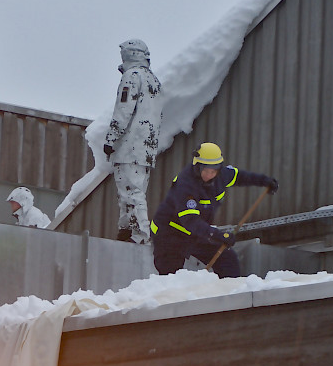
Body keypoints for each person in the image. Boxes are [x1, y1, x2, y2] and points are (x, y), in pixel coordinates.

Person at [150, 142, 278, 278]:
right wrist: (217, 235)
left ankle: (230, 295)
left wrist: (265, 181)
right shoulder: (185, 184)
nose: (209, 175)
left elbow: (241, 177)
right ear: (197, 166)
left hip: (197, 233)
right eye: (205, 170)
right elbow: (191, 221)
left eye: (213, 171)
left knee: (227, 260)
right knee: (171, 277)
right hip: (170, 234)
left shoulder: (222, 176)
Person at [103, 39, 162, 243]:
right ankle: (126, 230)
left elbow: (123, 110)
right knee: (133, 191)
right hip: (146, 148)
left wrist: (111, 139)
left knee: (130, 192)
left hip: (129, 145)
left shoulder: (132, 76)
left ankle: (139, 236)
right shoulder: (153, 80)